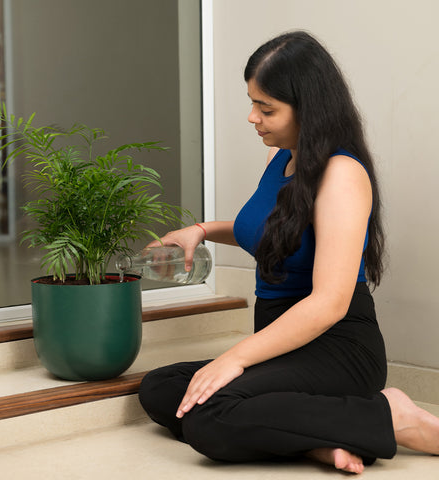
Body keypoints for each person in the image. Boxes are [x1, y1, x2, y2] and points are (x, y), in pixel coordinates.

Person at [138, 30, 439, 474]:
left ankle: (391, 415)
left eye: (266, 108)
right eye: (253, 103)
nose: (252, 117)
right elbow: (272, 233)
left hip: (336, 347)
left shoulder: (341, 175)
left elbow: (329, 302)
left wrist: (234, 357)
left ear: (309, 108)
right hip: (283, 342)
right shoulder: (282, 157)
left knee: (209, 419)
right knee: (164, 389)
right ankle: (316, 442)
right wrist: (201, 230)